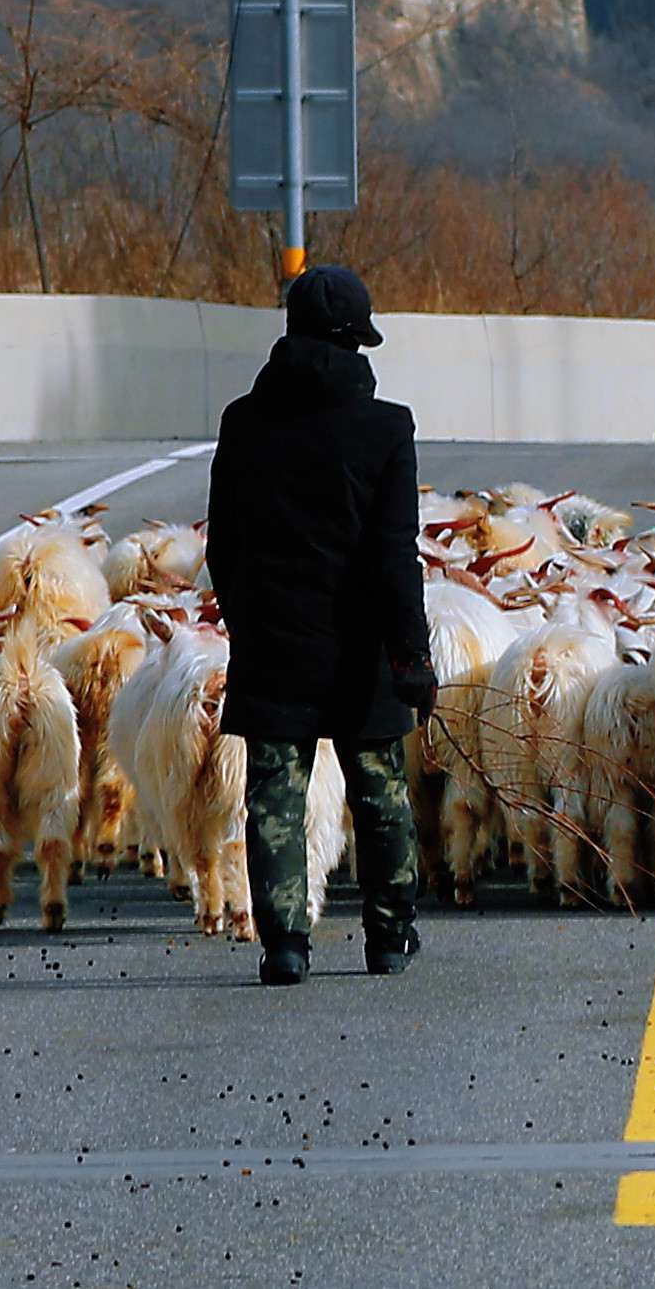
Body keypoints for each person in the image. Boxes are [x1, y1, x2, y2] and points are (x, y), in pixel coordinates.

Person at [205, 262, 433, 984]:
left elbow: (224, 541)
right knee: (378, 788)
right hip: (362, 642)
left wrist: (248, 616)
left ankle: (284, 943)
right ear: (355, 343)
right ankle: (389, 936)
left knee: (274, 790)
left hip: (274, 638)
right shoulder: (386, 428)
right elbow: (395, 554)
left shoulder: (243, 422)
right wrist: (411, 654)